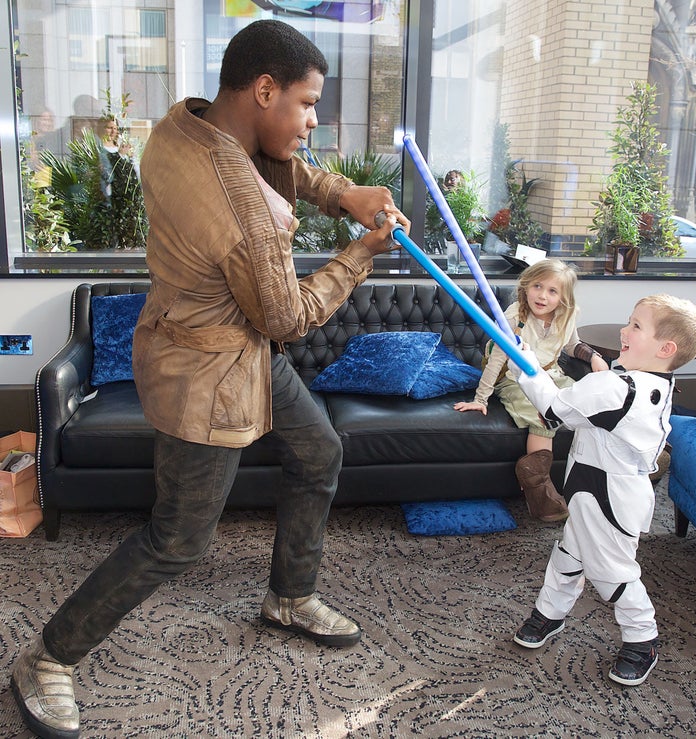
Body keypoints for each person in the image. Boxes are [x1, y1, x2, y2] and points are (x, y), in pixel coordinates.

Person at [11, 19, 408, 739]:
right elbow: (288, 317)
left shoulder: (184, 123)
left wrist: (341, 191)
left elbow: (275, 160)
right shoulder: (243, 213)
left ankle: (289, 595)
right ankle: (47, 656)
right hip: (208, 375)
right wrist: (359, 254)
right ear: (264, 89)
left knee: (319, 451)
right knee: (178, 538)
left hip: (228, 346)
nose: (315, 121)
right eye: (309, 103)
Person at [509, 294, 696, 686]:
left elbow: (555, 410)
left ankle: (642, 637)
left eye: (636, 326)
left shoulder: (620, 388)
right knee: (570, 553)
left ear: (665, 348)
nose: (623, 331)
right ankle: (550, 612)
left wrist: (524, 363)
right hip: (591, 483)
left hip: (609, 494)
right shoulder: (652, 381)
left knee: (611, 571)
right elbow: (601, 394)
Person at [454, 259, 608, 521]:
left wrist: (593, 356)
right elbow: (497, 361)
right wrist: (481, 399)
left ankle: (621, 462)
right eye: (537, 286)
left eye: (552, 291)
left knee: (589, 404)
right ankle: (539, 493)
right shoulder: (514, 318)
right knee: (544, 417)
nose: (542, 296)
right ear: (526, 287)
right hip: (515, 379)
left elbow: (572, 346)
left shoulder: (567, 315)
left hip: (551, 373)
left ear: (563, 298)